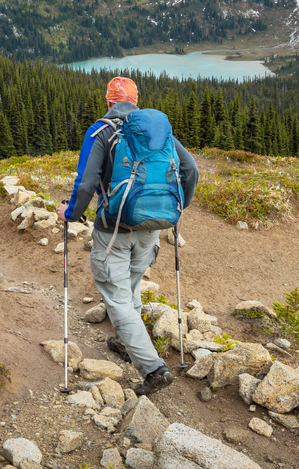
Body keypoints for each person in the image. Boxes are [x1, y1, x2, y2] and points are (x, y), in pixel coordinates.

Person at [57, 76, 198, 396]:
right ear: (135, 101)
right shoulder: (158, 131)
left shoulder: (101, 131)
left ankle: (153, 369)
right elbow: (191, 170)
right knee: (131, 282)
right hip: (153, 227)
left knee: (117, 296)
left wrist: (70, 214)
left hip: (114, 230)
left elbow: (87, 181)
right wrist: (180, 207)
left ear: (108, 101)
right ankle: (124, 341)